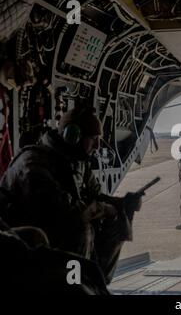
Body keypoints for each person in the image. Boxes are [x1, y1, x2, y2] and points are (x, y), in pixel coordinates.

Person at [0, 106, 142, 284]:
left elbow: (95, 195)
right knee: (80, 229)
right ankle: (73, 284)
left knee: (119, 220)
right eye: (93, 139)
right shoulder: (33, 163)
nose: (97, 146)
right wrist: (101, 209)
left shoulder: (77, 162)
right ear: (72, 136)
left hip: (56, 238)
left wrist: (122, 203)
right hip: (27, 244)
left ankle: (93, 281)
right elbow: (59, 214)